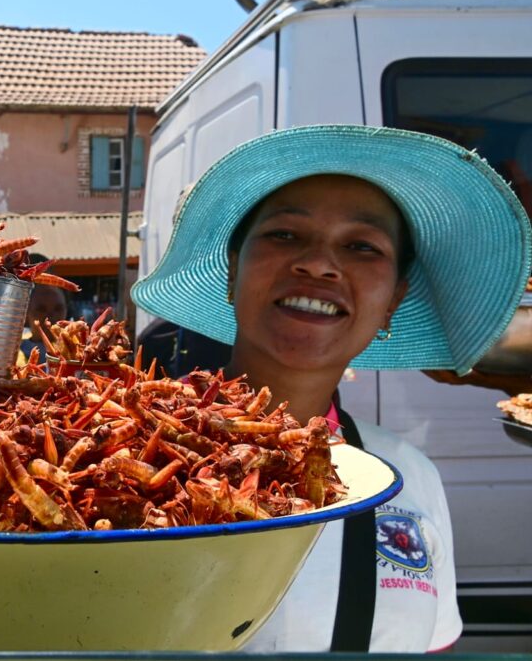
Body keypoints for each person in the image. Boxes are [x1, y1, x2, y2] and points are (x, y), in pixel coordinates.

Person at [131, 124, 531, 653]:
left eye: (362, 246)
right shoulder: (117, 453)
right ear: (232, 272)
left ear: (393, 300)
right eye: (284, 235)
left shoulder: (408, 477)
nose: (318, 263)